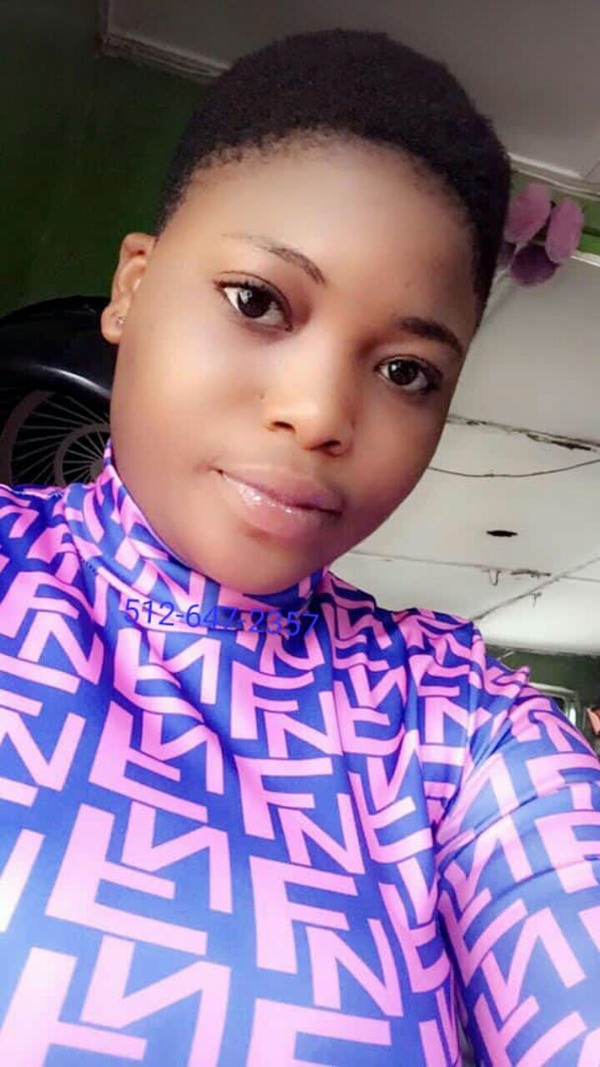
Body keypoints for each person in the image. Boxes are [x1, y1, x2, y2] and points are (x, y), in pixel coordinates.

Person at [0, 27, 599, 1067]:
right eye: (258, 301)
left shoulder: (457, 721)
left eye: (407, 371)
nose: (320, 413)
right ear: (133, 286)